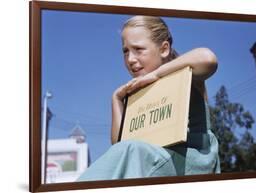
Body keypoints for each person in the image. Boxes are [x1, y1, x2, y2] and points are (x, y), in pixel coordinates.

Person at [77, 15, 220, 181]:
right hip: (153, 163)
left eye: (138, 49)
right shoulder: (137, 92)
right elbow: (119, 147)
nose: (130, 59)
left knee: (132, 150)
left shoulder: (183, 73)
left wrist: (157, 74)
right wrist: (116, 99)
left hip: (188, 163)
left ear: (164, 49)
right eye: (125, 51)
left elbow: (207, 58)